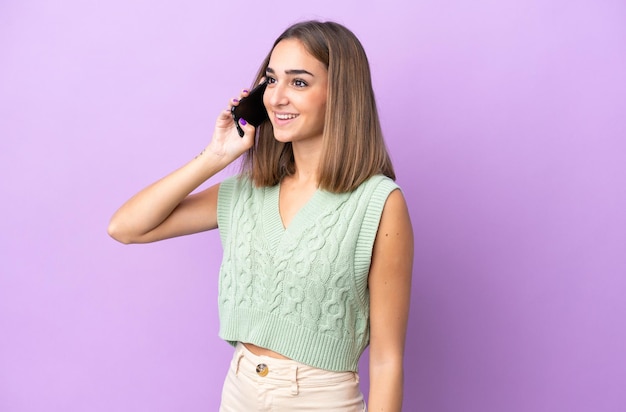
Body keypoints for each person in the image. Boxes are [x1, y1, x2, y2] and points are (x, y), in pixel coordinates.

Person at [108, 20, 413, 412]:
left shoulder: (378, 203)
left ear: (342, 95)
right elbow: (126, 227)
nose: (276, 97)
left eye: (299, 82)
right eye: (271, 80)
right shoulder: (247, 192)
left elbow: (388, 361)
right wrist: (215, 157)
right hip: (239, 392)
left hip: (320, 401)